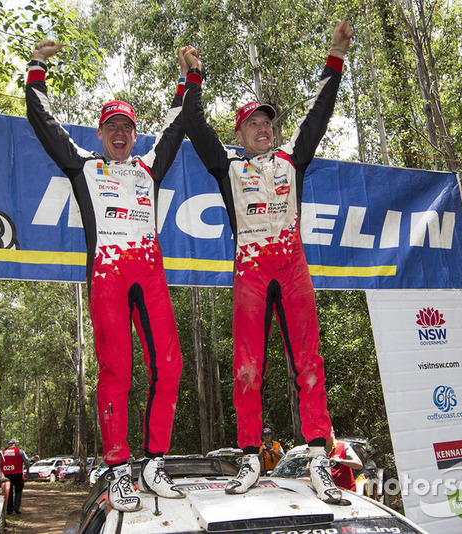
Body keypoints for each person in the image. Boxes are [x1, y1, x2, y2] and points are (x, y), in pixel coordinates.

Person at [181, 19, 353, 504]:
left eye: (267, 122)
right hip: (251, 272)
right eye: (254, 122)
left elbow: (317, 116)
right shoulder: (228, 167)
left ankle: (320, 457)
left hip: (292, 267)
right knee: (247, 368)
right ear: (239, 132)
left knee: (309, 363)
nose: (263, 127)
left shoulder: (290, 161)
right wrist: (191, 77)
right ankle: (250, 458)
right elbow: (192, 126)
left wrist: (334, 56)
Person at [26, 41, 189, 512]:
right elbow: (46, 125)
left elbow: (177, 127)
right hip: (108, 274)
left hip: (150, 273)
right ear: (100, 133)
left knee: (170, 366)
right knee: (116, 371)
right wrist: (37, 68)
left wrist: (186, 79)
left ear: (134, 136)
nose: (120, 133)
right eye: (112, 126)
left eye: (127, 127)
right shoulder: (84, 166)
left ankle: (154, 462)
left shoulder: (148, 167)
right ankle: (119, 468)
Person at [0, 438, 30, 514]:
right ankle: (16, 506)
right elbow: (26, 461)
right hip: (17, 474)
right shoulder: (19, 451)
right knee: (18, 490)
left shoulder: (3, 452)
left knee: (9, 492)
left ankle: (9, 510)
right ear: (15, 444)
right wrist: (27, 470)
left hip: (6, 474)